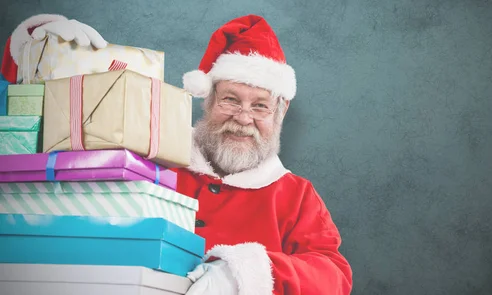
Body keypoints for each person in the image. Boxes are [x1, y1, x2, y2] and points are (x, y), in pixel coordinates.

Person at [2, 13, 353, 295]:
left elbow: (334, 276)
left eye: (260, 106)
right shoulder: (148, 152)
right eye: (231, 99)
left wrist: (243, 273)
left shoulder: (297, 195)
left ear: (280, 112)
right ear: (207, 98)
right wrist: (38, 49)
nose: (243, 118)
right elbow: (36, 128)